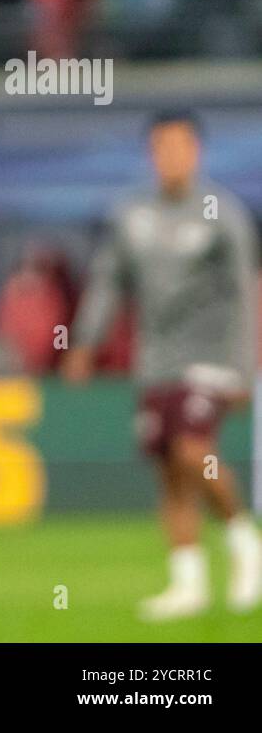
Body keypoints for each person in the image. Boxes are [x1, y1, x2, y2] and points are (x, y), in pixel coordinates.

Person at [62, 109, 262, 620]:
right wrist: (85, 342)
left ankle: (245, 541)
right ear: (152, 153)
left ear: (197, 151)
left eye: (180, 146)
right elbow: (110, 282)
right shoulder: (132, 214)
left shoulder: (224, 211)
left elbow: (246, 290)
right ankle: (187, 582)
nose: (171, 156)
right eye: (161, 147)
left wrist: (246, 364)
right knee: (169, 469)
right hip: (156, 362)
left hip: (212, 356)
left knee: (194, 451)